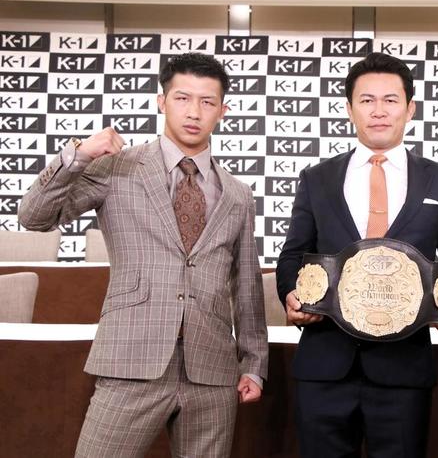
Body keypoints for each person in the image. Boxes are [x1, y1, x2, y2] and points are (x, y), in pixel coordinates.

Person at [18, 52, 268, 458]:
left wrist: (254, 363)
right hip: (130, 359)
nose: (194, 112)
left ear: (223, 111)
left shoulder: (238, 194)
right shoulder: (116, 168)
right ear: (161, 101)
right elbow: (34, 217)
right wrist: (78, 154)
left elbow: (247, 286)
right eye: (182, 98)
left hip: (212, 370)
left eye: (207, 102)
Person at [276, 52, 438, 458]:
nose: (379, 111)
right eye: (367, 100)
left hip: (403, 370)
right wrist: (290, 293)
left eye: (390, 100)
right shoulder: (317, 179)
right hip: (324, 364)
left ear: (410, 108)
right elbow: (293, 255)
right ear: (349, 108)